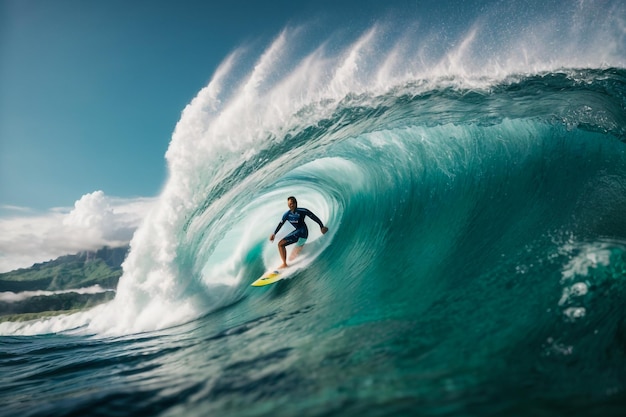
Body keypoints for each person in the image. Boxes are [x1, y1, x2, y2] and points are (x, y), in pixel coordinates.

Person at [269, 196, 328, 268]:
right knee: (291, 257)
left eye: (292, 204)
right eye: (289, 204)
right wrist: (274, 234)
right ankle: (287, 264)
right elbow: (280, 224)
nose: (290, 205)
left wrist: (321, 226)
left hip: (303, 233)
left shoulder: (302, 211)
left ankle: (284, 264)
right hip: (299, 233)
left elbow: (314, 217)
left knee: (280, 244)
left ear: (295, 203)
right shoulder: (287, 214)